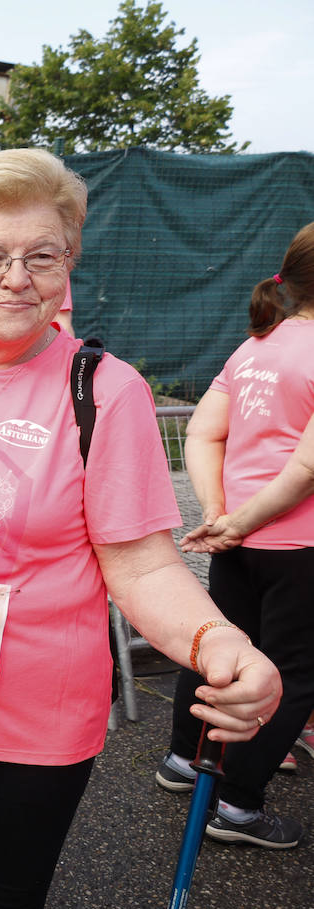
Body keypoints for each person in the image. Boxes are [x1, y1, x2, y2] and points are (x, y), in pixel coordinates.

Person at [0, 148, 282, 909]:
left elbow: (139, 568)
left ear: (68, 262)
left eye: (43, 255)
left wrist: (220, 643)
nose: (18, 277)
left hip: (28, 716)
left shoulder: (106, 391)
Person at [156, 221, 314, 849]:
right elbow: (306, 468)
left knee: (218, 653)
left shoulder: (256, 345)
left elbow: (202, 433)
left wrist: (224, 516)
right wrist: (239, 521)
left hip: (237, 542)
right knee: (293, 672)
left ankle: (181, 761)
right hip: (298, 547)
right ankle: (240, 807)